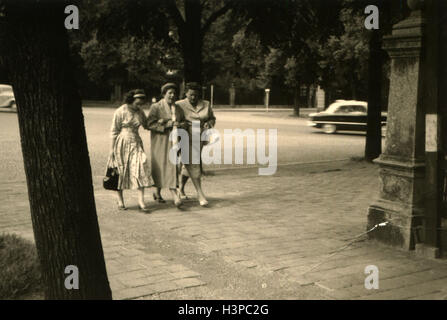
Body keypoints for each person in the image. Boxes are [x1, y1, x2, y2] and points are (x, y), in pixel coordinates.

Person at [108, 89, 152, 212]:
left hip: (136, 142)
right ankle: (120, 200)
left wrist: (158, 121)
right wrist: (112, 150)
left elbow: (146, 125)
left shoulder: (140, 111)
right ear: (131, 100)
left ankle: (141, 201)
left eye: (141, 104)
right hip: (121, 142)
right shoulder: (121, 111)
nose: (139, 106)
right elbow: (114, 131)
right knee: (120, 171)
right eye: (137, 103)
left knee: (141, 168)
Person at [147, 83, 187, 208]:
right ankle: (162, 192)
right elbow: (150, 124)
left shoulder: (178, 108)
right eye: (169, 93)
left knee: (173, 166)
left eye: (174, 93)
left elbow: (184, 121)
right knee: (160, 166)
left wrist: (181, 125)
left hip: (175, 141)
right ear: (163, 94)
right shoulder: (156, 107)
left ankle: (172, 194)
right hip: (161, 141)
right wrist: (167, 125)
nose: (172, 95)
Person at [176, 82, 216, 207]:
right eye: (191, 95)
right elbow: (176, 121)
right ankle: (200, 194)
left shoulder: (206, 104)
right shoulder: (179, 105)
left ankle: (181, 188)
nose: (193, 98)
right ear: (186, 93)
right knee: (193, 164)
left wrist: (209, 123)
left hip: (199, 138)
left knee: (188, 164)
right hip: (184, 137)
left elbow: (212, 118)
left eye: (196, 95)